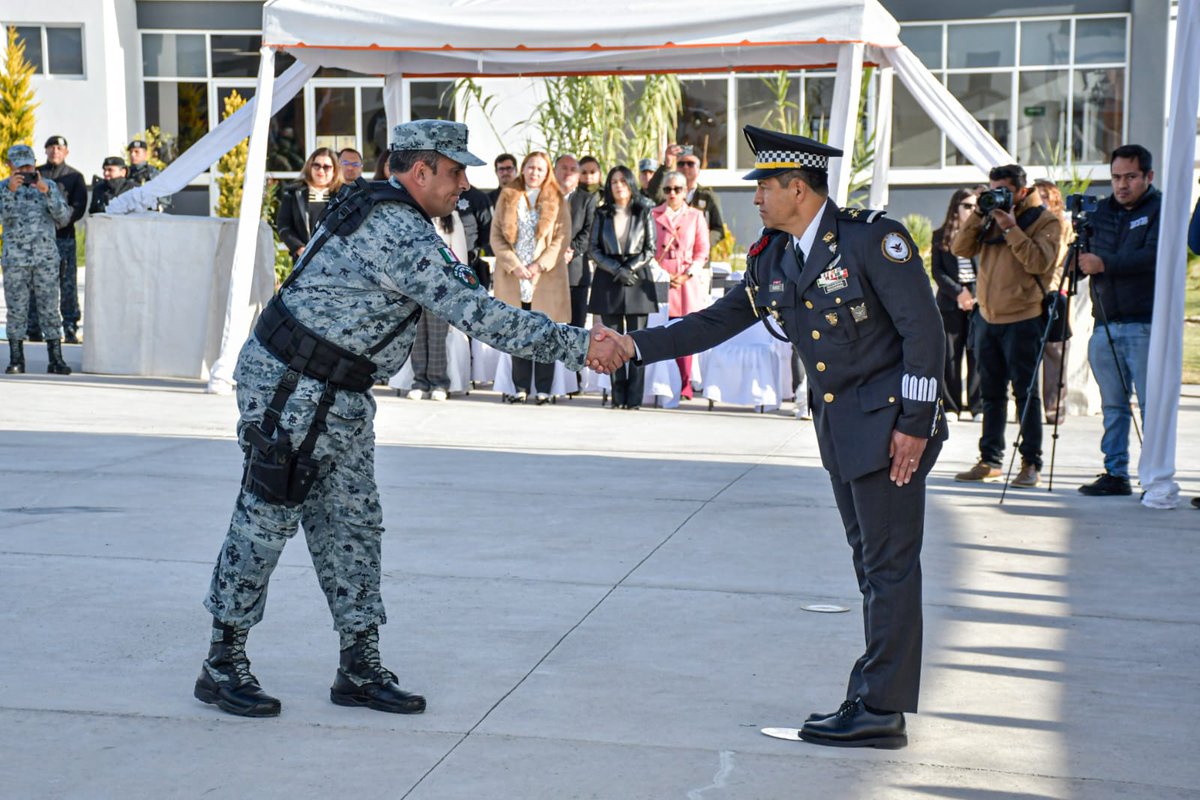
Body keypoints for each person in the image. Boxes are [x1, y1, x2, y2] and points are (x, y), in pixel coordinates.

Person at [195, 119, 625, 719]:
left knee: (354, 523)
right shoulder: (396, 228)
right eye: (454, 171)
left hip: (335, 392)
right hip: (292, 387)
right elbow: (482, 314)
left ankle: (359, 665)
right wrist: (582, 345)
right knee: (266, 519)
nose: (462, 184)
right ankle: (222, 662)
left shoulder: (385, 211)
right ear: (419, 171)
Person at [597, 125, 945, 749]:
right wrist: (634, 345)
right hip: (842, 431)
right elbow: (717, 320)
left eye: (764, 186)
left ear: (798, 188)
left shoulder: (871, 240)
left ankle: (881, 708)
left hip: (891, 429)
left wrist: (915, 428)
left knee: (890, 568)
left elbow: (924, 335)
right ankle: (875, 696)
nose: (756, 198)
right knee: (872, 566)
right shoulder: (774, 257)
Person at [951, 164, 1063, 488]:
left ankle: (1031, 463)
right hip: (988, 317)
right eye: (992, 189)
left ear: (1021, 190)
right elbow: (960, 249)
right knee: (991, 394)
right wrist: (980, 212)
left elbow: (1040, 262)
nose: (997, 195)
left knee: (1026, 394)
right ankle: (990, 461)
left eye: (1002, 190)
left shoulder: (1046, 220)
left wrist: (1011, 227)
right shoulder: (988, 215)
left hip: (1024, 318)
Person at [1076, 145, 1161, 497]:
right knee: (1113, 405)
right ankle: (1115, 472)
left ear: (1148, 177)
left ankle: (1155, 473)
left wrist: (1105, 264)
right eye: (1116, 177)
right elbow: (1083, 260)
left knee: (1150, 404)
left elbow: (1154, 256)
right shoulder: (1099, 213)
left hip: (1144, 323)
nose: (1122, 185)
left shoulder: (1160, 209)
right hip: (1104, 322)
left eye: (1130, 177)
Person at [490, 151, 572, 403]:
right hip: (514, 276)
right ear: (523, 169)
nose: (535, 173)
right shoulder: (508, 195)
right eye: (531, 167)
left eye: (540, 169)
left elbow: (561, 238)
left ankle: (544, 389)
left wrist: (540, 265)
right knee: (518, 333)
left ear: (547, 172)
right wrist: (513, 264)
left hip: (544, 278)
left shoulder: (557, 198)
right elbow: (496, 236)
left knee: (545, 333)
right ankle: (521, 387)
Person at [588, 165, 659, 410]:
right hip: (609, 279)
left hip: (638, 280)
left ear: (630, 184)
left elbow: (650, 248)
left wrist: (630, 268)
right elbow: (593, 250)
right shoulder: (601, 213)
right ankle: (618, 397)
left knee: (637, 341)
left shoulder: (644, 210)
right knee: (611, 341)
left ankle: (634, 398)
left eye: (622, 181)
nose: (618, 185)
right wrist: (617, 270)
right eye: (613, 181)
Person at [3, 144, 74, 375]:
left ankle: (56, 358)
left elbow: (63, 218)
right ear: (9, 166)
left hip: (45, 259)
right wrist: (10, 193)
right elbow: (5, 218)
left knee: (50, 309)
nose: (25, 169)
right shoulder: (3, 188)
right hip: (16, 260)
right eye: (20, 165)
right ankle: (16, 358)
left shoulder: (49, 186)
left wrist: (47, 192)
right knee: (16, 309)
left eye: (29, 164)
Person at [651, 169, 710, 398]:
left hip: (687, 281)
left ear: (686, 191)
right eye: (668, 189)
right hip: (662, 278)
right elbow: (649, 249)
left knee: (686, 332)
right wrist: (666, 275)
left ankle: (685, 383)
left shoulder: (695, 216)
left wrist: (688, 274)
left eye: (677, 189)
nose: (672, 193)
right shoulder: (654, 214)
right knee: (662, 330)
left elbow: (702, 250)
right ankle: (664, 382)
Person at [26, 135, 86, 344]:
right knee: (35, 284)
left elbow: (78, 207)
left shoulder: (75, 177)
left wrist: (60, 221)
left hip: (63, 238)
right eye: (51, 147)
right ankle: (33, 326)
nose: (55, 151)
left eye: (59, 148)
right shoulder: (36, 175)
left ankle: (69, 327)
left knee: (67, 284)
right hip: (38, 240)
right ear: (45, 151)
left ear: (66, 152)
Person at [930, 187, 981, 421]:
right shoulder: (940, 236)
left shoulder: (983, 234)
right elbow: (937, 272)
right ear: (956, 208)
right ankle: (951, 406)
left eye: (974, 206)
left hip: (979, 302)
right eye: (967, 206)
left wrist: (974, 293)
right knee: (950, 356)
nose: (971, 210)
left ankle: (977, 406)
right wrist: (959, 292)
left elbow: (988, 269)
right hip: (950, 303)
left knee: (977, 354)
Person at [406, 209, 467, 401]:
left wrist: (458, 286)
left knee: (437, 336)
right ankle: (420, 382)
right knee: (417, 335)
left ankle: (439, 382)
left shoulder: (451, 218)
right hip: (413, 285)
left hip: (442, 287)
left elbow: (459, 255)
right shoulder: (410, 214)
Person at [1033, 178, 1073, 425]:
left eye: (1045, 197)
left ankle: (1054, 408)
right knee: (1027, 351)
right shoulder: (1028, 223)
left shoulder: (1064, 225)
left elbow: (1061, 260)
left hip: (1054, 291)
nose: (1042, 202)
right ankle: (1026, 407)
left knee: (1055, 351)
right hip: (1027, 293)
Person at [647, 143, 726, 251]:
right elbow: (653, 191)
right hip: (671, 255)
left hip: (698, 258)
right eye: (681, 164)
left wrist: (700, 241)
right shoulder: (670, 193)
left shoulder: (707, 197)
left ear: (698, 169)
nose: (685, 167)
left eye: (690, 164)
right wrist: (667, 164)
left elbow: (718, 229)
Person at [276, 148, 343, 262]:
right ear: (309, 167)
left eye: (326, 167)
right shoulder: (293, 194)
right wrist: (300, 248)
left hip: (336, 260)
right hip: (304, 260)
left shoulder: (343, 195)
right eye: (316, 165)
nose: (321, 171)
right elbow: (284, 226)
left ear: (335, 171)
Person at [555, 154, 598, 329]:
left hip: (575, 272)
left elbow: (590, 230)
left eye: (573, 169)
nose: (568, 173)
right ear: (554, 170)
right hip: (545, 275)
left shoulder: (587, 199)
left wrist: (571, 250)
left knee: (575, 328)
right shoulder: (542, 197)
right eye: (563, 168)